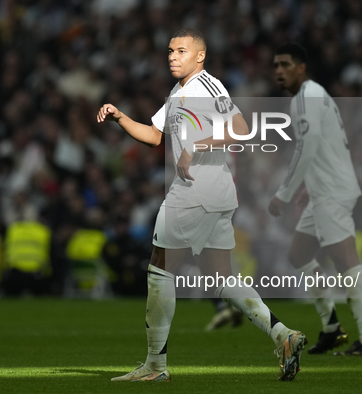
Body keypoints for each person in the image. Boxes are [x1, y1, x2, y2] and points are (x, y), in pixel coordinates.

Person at [97, 29, 307, 382]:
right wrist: (120, 117)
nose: (172, 56)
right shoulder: (178, 93)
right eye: (169, 51)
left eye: (181, 50)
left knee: (160, 269)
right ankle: (283, 336)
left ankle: (155, 366)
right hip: (211, 192)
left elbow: (241, 128)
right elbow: (153, 136)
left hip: (197, 189)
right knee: (222, 278)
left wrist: (196, 146)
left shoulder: (208, 87)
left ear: (200, 57)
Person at [268, 43, 362, 356]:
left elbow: (309, 144)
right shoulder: (311, 96)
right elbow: (319, 146)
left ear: (301, 67)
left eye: (285, 64)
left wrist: (284, 193)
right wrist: (308, 183)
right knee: (299, 254)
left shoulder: (307, 96)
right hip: (323, 188)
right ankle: (332, 327)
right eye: (276, 65)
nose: (279, 71)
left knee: (346, 261)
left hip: (332, 191)